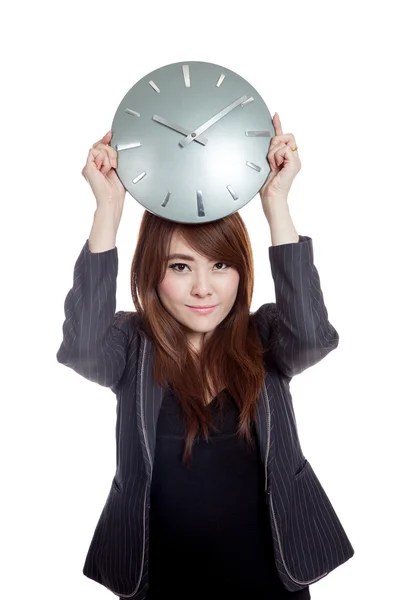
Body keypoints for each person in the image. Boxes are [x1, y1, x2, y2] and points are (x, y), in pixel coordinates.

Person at [56, 113, 354, 599]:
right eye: (180, 266)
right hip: (162, 581)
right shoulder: (133, 344)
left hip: (270, 581)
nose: (202, 288)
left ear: (241, 272)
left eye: (220, 265)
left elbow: (314, 337)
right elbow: (82, 347)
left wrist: (277, 204)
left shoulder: (266, 337)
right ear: (154, 274)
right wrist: (107, 210)